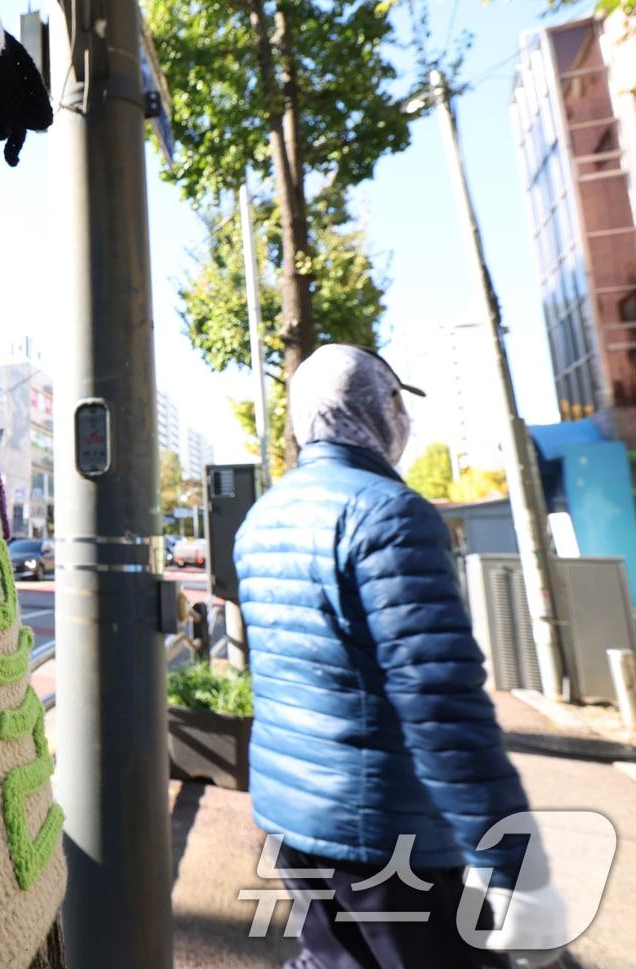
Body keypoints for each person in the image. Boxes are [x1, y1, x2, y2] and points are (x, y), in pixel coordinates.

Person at [233, 344, 555, 969]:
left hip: (289, 813)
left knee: (331, 957)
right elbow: (441, 707)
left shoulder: (263, 518)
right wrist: (513, 868)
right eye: (396, 401)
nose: (403, 416)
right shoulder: (390, 515)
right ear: (378, 410)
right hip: (387, 832)